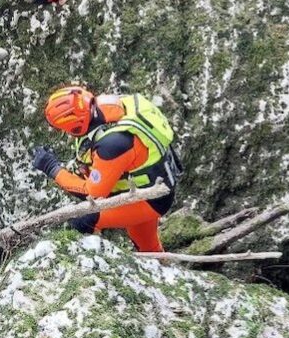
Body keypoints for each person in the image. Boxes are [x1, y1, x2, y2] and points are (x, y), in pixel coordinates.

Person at [31, 86, 183, 252]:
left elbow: (93, 195)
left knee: (83, 220)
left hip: (151, 199)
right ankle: (162, 267)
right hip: (155, 183)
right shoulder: (111, 107)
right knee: (148, 246)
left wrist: (52, 168)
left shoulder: (114, 144)